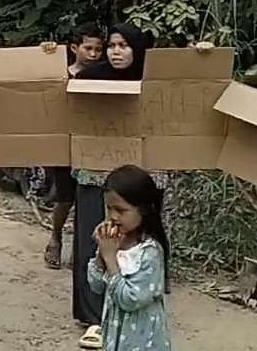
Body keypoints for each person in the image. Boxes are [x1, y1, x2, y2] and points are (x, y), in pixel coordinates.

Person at [72, 23, 148, 350]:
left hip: (133, 179)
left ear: (137, 49)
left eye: (123, 45)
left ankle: (131, 304)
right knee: (94, 239)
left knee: (134, 243)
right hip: (93, 174)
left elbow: (190, 84)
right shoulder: (90, 78)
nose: (116, 52)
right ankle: (95, 318)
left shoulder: (150, 81)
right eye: (112, 45)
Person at [86, 165, 171, 351]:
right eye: (109, 209)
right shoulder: (114, 241)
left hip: (142, 343)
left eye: (121, 210)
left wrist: (110, 259)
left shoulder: (150, 253)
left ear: (144, 209)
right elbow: (96, 285)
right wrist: (102, 253)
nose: (113, 216)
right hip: (115, 339)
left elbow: (130, 299)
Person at [44, 23, 105, 270]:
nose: (93, 54)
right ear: (73, 48)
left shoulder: (104, 75)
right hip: (64, 145)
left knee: (88, 199)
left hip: (92, 144)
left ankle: (82, 251)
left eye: (98, 49)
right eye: (88, 48)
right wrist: (46, 52)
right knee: (65, 198)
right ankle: (55, 237)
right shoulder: (60, 73)